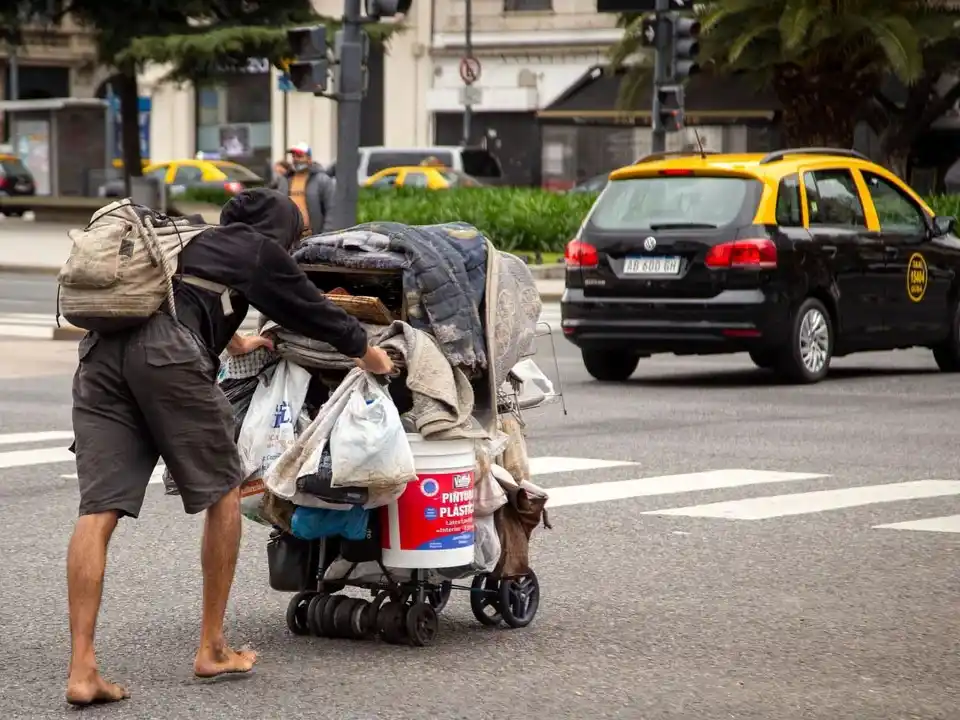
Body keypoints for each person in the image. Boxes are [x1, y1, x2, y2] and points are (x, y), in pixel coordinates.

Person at [64, 188, 392, 707]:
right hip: (168, 358)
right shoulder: (259, 249)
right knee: (224, 493)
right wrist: (369, 354)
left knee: (98, 510)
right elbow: (313, 311)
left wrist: (237, 342)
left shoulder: (193, 239)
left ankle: (82, 670)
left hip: (101, 358)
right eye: (296, 234)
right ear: (281, 229)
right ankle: (212, 648)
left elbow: (185, 299)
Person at [274, 142, 336, 235]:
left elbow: (332, 210)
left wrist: (326, 234)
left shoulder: (322, 180)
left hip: (313, 237)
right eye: (293, 156)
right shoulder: (285, 180)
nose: (295, 159)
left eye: (299, 156)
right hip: (290, 237)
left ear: (309, 159)